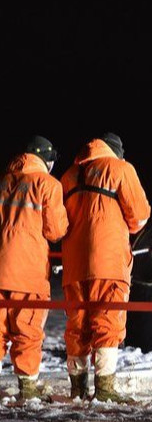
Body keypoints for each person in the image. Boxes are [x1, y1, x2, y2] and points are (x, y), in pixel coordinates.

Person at [61, 133, 151, 402]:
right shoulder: (121, 169)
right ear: (117, 152)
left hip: (74, 265)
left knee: (77, 325)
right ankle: (105, 389)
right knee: (107, 321)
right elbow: (140, 216)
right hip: (108, 261)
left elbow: (58, 222)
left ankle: (77, 388)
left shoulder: (68, 176)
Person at [0, 135, 68, 399]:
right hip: (27, 272)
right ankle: (27, 389)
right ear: (47, 160)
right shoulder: (48, 184)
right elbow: (56, 231)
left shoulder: (4, 181)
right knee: (27, 330)